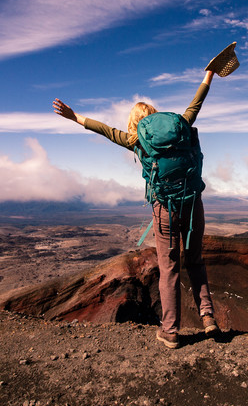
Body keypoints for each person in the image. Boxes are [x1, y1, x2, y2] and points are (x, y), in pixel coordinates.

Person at [53, 69, 220, 349]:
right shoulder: (180, 125)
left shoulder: (135, 141)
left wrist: (75, 117)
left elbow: (103, 129)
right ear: (156, 115)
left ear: (135, 124)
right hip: (193, 204)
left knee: (169, 269)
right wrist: (209, 75)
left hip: (165, 209)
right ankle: (208, 318)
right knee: (195, 261)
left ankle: (170, 332)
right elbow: (196, 103)